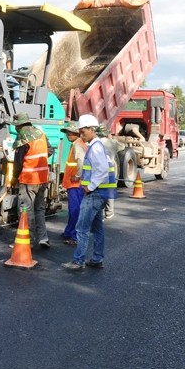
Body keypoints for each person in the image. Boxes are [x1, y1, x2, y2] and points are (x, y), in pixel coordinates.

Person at [62, 114, 117, 270]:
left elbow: (102, 170)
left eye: (83, 131)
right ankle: (97, 258)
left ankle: (78, 261)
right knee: (97, 228)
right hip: (100, 194)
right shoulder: (97, 146)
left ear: (92, 129)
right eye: (80, 132)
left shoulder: (95, 148)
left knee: (81, 228)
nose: (81, 134)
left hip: (94, 194)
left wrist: (90, 186)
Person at [10, 112, 51, 248]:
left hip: (29, 179)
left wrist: (14, 179)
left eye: (16, 126)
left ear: (19, 125)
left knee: (26, 210)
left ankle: (27, 241)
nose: (16, 129)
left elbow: (18, 163)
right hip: (43, 177)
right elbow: (50, 150)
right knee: (39, 209)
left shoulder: (23, 138)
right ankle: (43, 238)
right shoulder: (40, 134)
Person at [60, 120, 87, 245]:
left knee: (75, 210)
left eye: (71, 133)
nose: (68, 135)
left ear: (77, 134)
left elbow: (80, 161)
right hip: (74, 184)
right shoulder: (77, 144)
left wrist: (77, 176)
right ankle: (69, 232)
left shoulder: (77, 145)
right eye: (67, 133)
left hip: (76, 184)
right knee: (74, 210)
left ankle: (74, 235)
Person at [97, 126, 124, 220]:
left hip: (98, 170)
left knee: (98, 191)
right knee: (110, 192)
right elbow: (122, 147)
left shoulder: (95, 143)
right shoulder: (112, 142)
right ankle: (109, 212)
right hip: (109, 170)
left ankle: (99, 214)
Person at [0, 38, 20, 102]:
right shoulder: (5, 53)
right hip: (2, 76)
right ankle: (16, 102)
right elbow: (9, 68)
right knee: (16, 84)